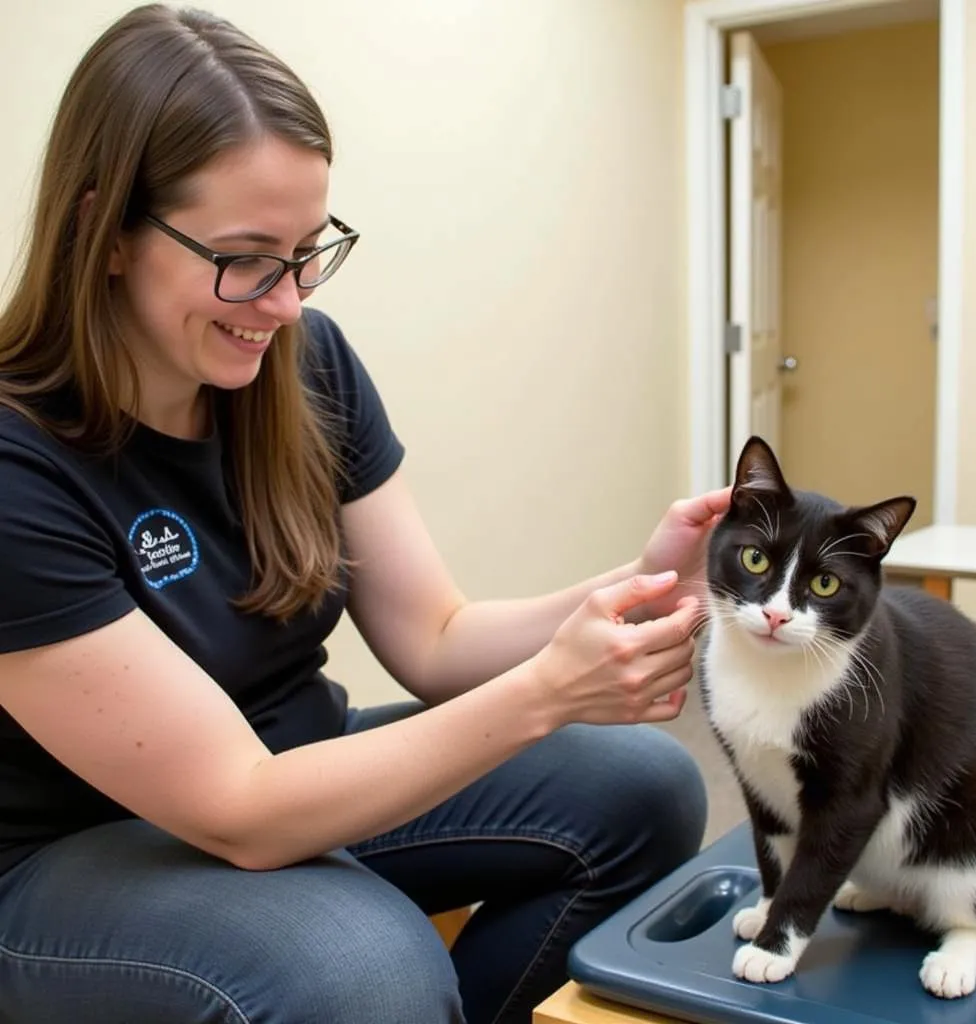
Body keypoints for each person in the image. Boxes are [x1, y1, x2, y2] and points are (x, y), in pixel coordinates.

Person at [0, 6, 729, 1023]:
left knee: (642, 786)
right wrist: (547, 693)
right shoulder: (17, 463)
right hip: (70, 858)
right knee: (362, 964)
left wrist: (638, 590)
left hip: (293, 766)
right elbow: (240, 811)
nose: (286, 302)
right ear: (104, 232)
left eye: (307, 250)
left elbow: (434, 637)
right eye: (247, 256)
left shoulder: (306, 367)